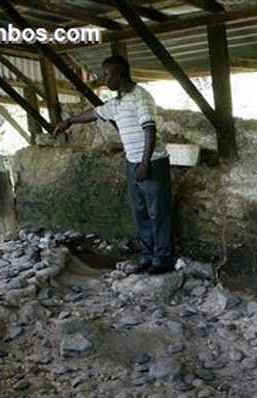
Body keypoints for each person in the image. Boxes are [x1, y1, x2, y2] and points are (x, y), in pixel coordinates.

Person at [52, 55, 175, 275]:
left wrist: (144, 163)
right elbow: (95, 113)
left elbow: (150, 130)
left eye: (107, 74)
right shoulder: (118, 102)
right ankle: (148, 257)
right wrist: (69, 121)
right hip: (133, 162)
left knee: (158, 213)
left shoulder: (141, 97)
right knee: (141, 214)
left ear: (118, 73)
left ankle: (163, 259)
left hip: (152, 162)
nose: (103, 79)